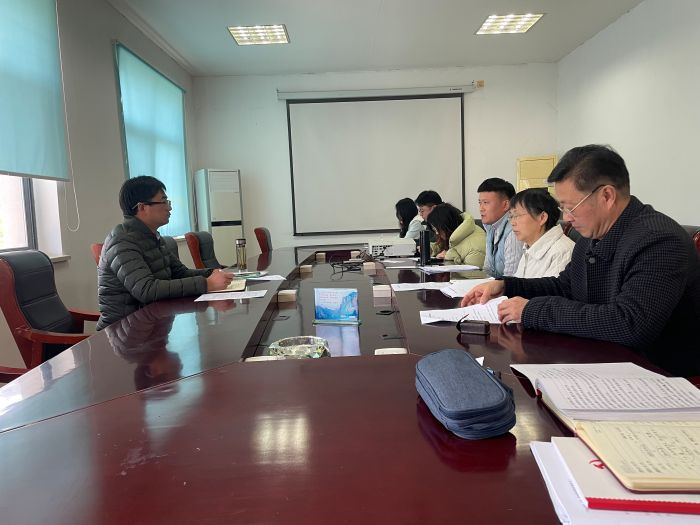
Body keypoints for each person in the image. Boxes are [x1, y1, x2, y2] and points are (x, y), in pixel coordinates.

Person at [462, 145, 700, 375]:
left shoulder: (658, 240)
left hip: (659, 377)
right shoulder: (592, 236)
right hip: (603, 359)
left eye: (570, 207)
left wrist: (532, 310)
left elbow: (629, 323)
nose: (566, 218)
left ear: (606, 196)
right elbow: (566, 286)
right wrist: (507, 286)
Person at [96, 176, 233, 330]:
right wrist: (207, 284)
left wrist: (214, 273)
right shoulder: (122, 241)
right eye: (164, 201)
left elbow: (180, 273)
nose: (169, 208)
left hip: (152, 322)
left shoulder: (153, 236)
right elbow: (147, 290)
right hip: (124, 330)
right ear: (142, 207)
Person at [510, 188, 575, 278]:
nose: (512, 223)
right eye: (511, 216)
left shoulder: (562, 251)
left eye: (517, 215)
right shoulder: (529, 246)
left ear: (542, 217)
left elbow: (550, 287)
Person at [478, 178, 523, 278]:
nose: (481, 208)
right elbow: (488, 269)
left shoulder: (513, 231)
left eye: (486, 203)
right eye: (480, 203)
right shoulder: (491, 227)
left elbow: (511, 278)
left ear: (506, 205)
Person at [426, 203, 486, 267]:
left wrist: (449, 258)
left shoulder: (475, 247)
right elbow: (444, 246)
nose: (437, 233)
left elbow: (473, 271)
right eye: (434, 230)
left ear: (447, 225)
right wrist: (429, 249)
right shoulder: (457, 235)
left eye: (437, 229)